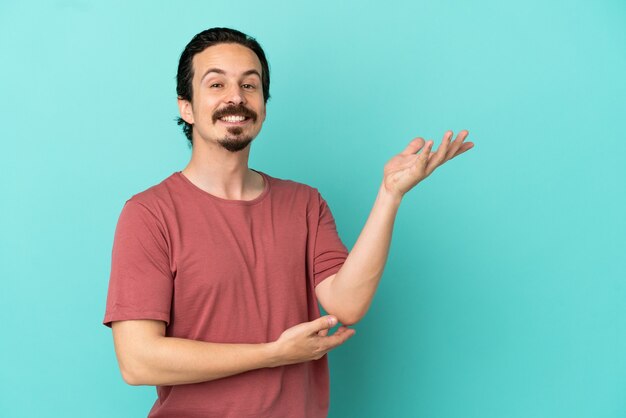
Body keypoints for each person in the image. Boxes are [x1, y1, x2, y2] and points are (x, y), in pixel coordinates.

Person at [103, 27, 474, 418]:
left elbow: (346, 304)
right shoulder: (149, 214)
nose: (236, 97)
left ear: (263, 103)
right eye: (216, 84)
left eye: (250, 85)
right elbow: (138, 361)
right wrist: (272, 355)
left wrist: (390, 194)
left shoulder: (305, 203)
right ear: (187, 107)